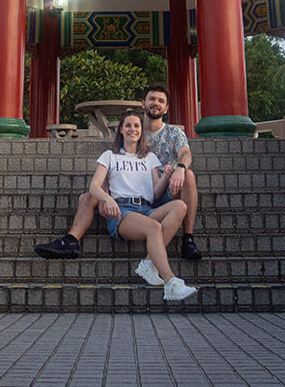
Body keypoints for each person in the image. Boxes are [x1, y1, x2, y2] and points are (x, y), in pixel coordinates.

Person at [35, 83, 203, 261]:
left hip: (165, 189)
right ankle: (71, 240)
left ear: (166, 108)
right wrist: (105, 194)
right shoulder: (133, 129)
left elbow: (185, 153)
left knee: (189, 176)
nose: (156, 103)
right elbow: (115, 164)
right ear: (143, 104)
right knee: (89, 196)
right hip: (133, 193)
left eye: (161, 101)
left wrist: (180, 168)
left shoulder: (173, 133)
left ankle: (188, 238)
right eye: (152, 99)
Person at [87, 110, 197, 301]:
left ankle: (148, 263)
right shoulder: (110, 156)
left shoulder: (150, 158)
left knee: (180, 206)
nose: (133, 129)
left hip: (146, 208)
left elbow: (155, 193)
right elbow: (93, 187)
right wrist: (108, 199)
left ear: (141, 130)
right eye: (128, 125)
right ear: (121, 129)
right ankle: (171, 282)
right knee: (154, 227)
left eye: (137, 126)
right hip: (121, 211)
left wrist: (167, 177)